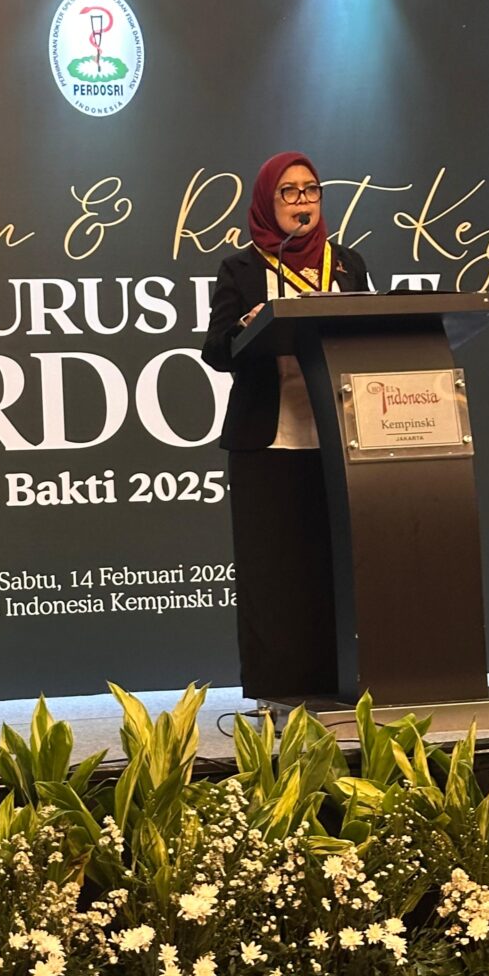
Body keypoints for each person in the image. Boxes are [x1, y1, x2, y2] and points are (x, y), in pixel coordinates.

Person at [201, 151, 369, 703]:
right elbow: (215, 350)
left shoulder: (348, 264)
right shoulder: (242, 269)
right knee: (275, 570)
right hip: (269, 440)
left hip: (340, 437)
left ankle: (341, 682)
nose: (303, 201)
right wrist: (249, 328)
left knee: (333, 565)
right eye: (289, 192)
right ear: (267, 202)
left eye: (311, 189)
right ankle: (278, 690)